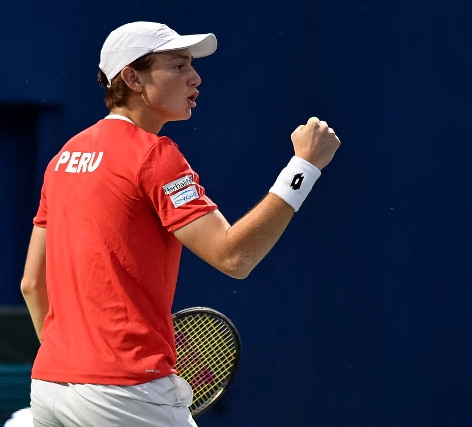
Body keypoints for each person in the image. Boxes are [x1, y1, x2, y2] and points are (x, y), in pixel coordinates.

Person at [20, 21, 341, 427]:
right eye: (177, 66)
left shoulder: (63, 159)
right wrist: (304, 167)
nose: (195, 77)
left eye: (191, 65)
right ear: (132, 78)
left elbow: (32, 284)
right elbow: (235, 257)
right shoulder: (154, 155)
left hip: (50, 387)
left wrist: (73, 365)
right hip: (125, 392)